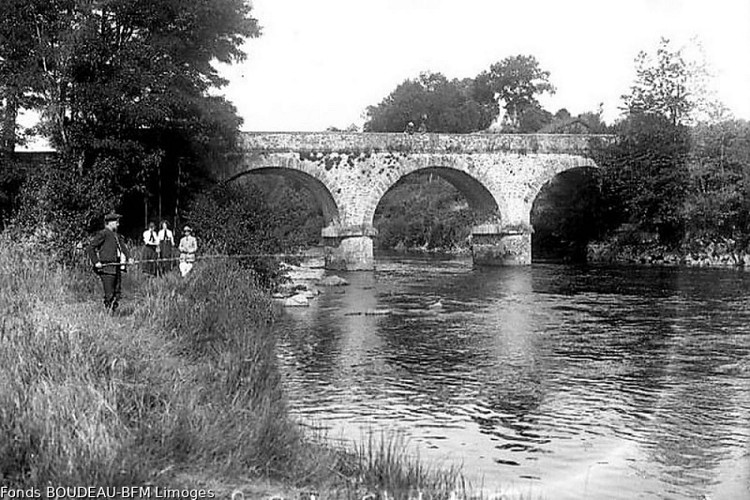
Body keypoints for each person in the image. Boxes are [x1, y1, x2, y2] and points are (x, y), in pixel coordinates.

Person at [87, 212, 132, 312]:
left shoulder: (117, 235)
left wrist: (129, 258)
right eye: (116, 222)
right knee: (109, 293)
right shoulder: (103, 234)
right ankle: (108, 314)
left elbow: (123, 247)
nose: (118, 224)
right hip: (107, 268)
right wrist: (96, 262)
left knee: (117, 292)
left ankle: (114, 313)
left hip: (117, 266)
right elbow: (91, 248)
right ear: (109, 223)